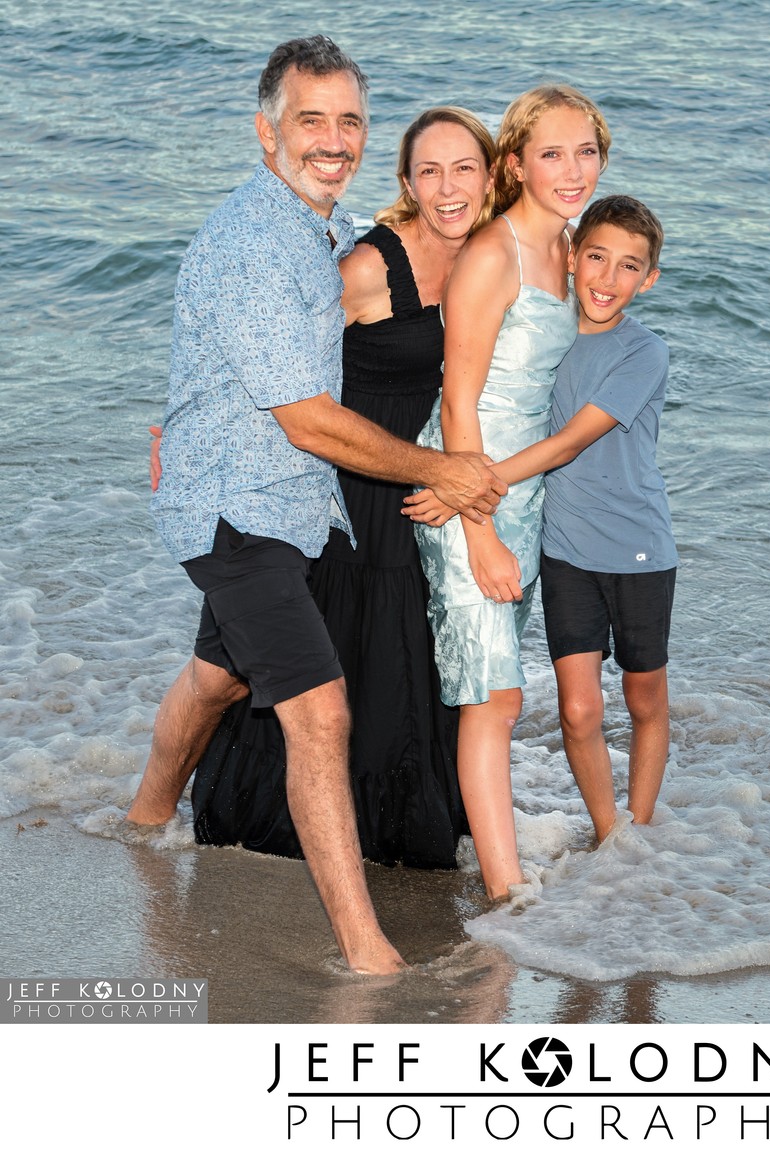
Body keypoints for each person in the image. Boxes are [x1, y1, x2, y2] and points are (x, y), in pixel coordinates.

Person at [126, 37, 506, 976]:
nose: (333, 140)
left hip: (288, 505)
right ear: (267, 133)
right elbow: (307, 420)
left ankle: (140, 819)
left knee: (219, 677)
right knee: (318, 713)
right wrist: (446, 470)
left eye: (348, 122)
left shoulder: (317, 232)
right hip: (239, 509)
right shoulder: (261, 240)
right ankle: (366, 950)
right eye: (311, 120)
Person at [190, 107, 497, 869]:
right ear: (406, 183)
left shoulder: (496, 257)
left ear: (493, 177)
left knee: (400, 661)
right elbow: (274, 359)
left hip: (418, 484)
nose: (447, 187)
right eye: (429, 171)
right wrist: (194, 424)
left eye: (465, 168)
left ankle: (399, 829)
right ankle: (287, 831)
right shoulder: (369, 266)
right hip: (350, 486)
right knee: (303, 669)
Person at [413, 196, 675, 842]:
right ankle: (611, 832)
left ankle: (640, 825)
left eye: (628, 268)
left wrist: (466, 483)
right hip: (563, 550)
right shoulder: (553, 335)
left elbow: (569, 443)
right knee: (580, 709)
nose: (607, 280)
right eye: (596, 259)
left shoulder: (643, 354)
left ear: (649, 279)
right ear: (572, 256)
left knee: (644, 699)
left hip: (638, 548)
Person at [411, 85, 611, 900]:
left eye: (586, 152)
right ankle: (506, 890)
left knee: (491, 688)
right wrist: (476, 529)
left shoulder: (569, 250)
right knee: (492, 696)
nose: (571, 170)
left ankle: (492, 863)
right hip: (471, 487)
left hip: (522, 491)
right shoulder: (493, 254)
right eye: (552, 153)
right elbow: (459, 399)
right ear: (517, 164)